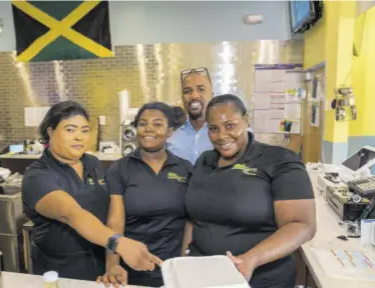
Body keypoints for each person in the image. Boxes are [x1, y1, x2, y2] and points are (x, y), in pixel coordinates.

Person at [185, 94, 316, 288]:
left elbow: (303, 225)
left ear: (246, 120)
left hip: (260, 279)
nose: (221, 136)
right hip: (204, 276)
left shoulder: (279, 160)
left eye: (230, 125)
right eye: (213, 129)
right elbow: (193, 219)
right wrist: (183, 262)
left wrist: (250, 259)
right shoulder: (205, 161)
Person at [22, 101, 162, 281]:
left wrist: (112, 264)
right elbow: (72, 214)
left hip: (99, 269)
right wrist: (121, 244)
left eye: (85, 130)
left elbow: (108, 213)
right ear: (51, 132)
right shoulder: (38, 175)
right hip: (61, 273)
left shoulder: (92, 163)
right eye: (70, 130)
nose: (79, 137)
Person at [98, 102, 193, 287]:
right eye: (142, 123)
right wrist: (112, 265)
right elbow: (115, 222)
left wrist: (183, 262)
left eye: (157, 124)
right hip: (133, 267)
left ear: (169, 131)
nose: (149, 128)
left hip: (172, 267)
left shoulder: (185, 168)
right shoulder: (120, 169)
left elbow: (190, 221)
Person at [167, 67, 214, 164]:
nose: (194, 96)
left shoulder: (224, 134)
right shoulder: (171, 137)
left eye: (201, 89)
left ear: (212, 95)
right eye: (187, 91)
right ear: (182, 98)